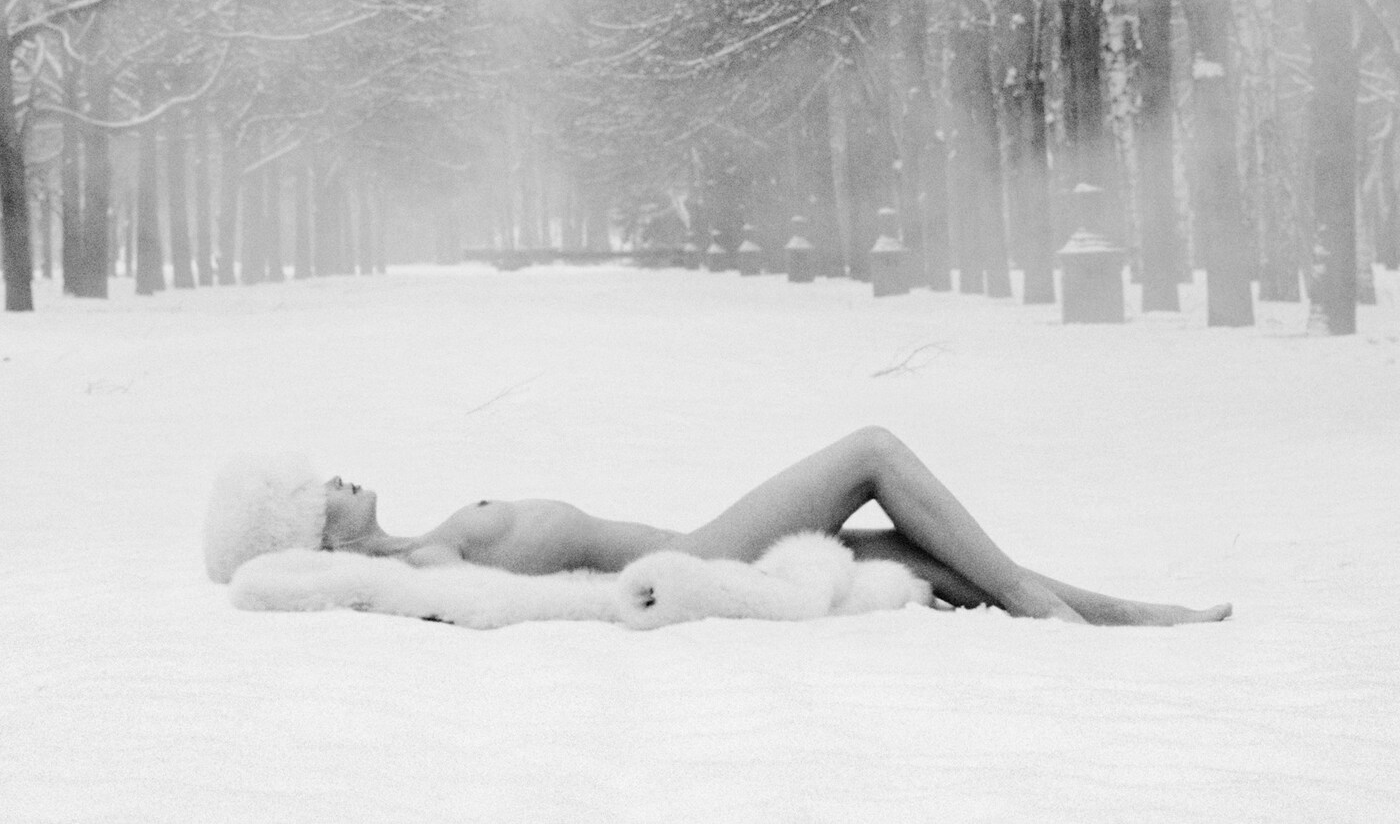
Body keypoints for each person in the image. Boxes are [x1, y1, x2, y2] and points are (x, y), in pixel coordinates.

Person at [204, 427, 1232, 626]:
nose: (337, 476)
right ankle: (1031, 601)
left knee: (918, 552)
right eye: (316, 490)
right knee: (870, 452)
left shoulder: (430, 545)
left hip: (699, 544)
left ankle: (1132, 613)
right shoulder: (425, 565)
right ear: (318, 534)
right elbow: (331, 589)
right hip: (702, 560)